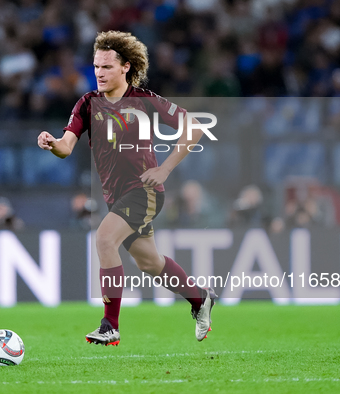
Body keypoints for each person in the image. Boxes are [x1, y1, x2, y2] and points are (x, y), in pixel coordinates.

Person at [37, 31, 216, 346]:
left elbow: (195, 127)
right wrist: (52, 143)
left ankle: (110, 325)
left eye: (106, 67)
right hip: (116, 197)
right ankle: (200, 298)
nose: (99, 73)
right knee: (150, 263)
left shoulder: (144, 101)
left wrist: (165, 169)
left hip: (144, 191)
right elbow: (66, 147)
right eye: (96, 67)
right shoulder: (87, 104)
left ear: (126, 67)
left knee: (105, 238)